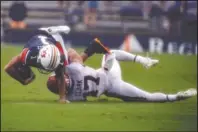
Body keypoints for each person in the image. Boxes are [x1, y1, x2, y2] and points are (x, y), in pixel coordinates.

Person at [47, 39, 196, 103]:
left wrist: (61, 97)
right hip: (110, 77)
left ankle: (175, 96)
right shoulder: (73, 69)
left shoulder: (72, 97)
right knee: (111, 53)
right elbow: (72, 53)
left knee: (147, 97)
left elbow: (68, 89)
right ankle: (144, 61)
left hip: (110, 85)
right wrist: (76, 58)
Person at [4, 26, 108, 103]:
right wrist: (22, 80)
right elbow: (7, 67)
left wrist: (62, 98)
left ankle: (92, 48)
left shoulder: (58, 58)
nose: (50, 71)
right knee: (25, 75)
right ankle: (92, 48)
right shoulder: (28, 56)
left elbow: (60, 77)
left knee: (68, 68)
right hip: (42, 38)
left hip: (55, 39)